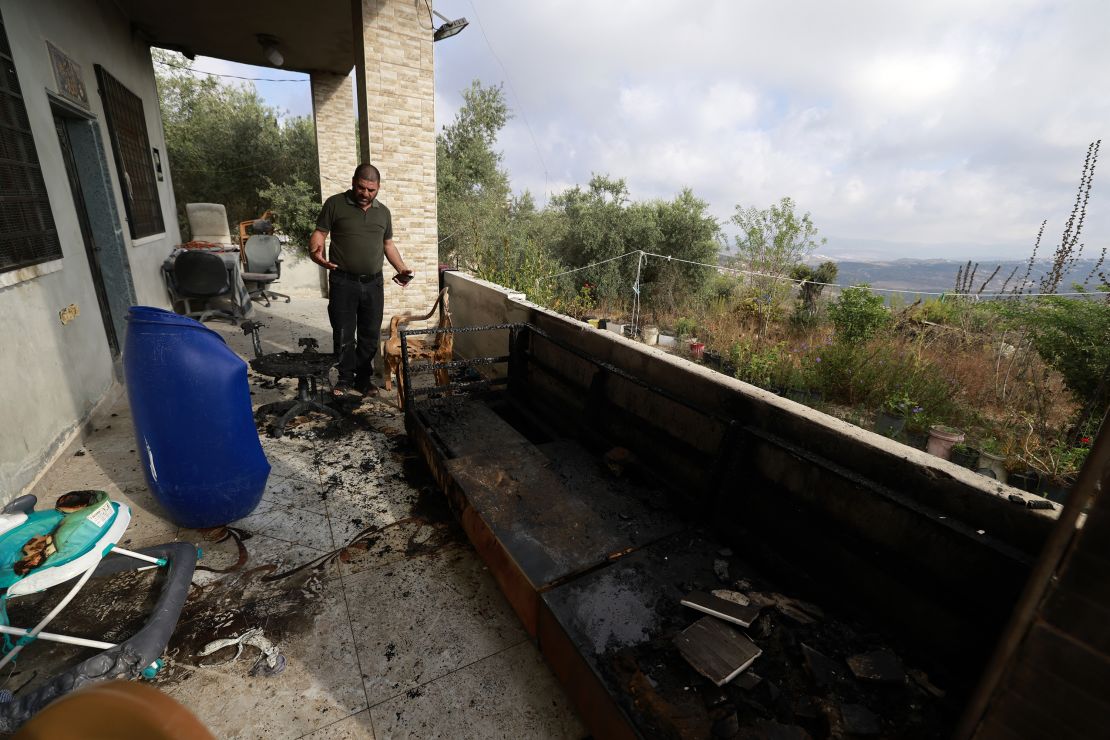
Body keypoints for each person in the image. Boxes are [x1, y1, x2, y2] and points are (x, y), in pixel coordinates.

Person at [310, 163, 413, 398]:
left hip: (373, 284)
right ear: (354, 182)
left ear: (378, 188)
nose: (365, 193)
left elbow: (388, 244)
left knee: (369, 334)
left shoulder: (383, 212)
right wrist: (315, 251)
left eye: (371, 190)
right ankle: (345, 378)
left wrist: (402, 268)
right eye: (361, 188)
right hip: (342, 281)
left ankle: (363, 380)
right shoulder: (335, 204)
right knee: (344, 332)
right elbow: (320, 232)